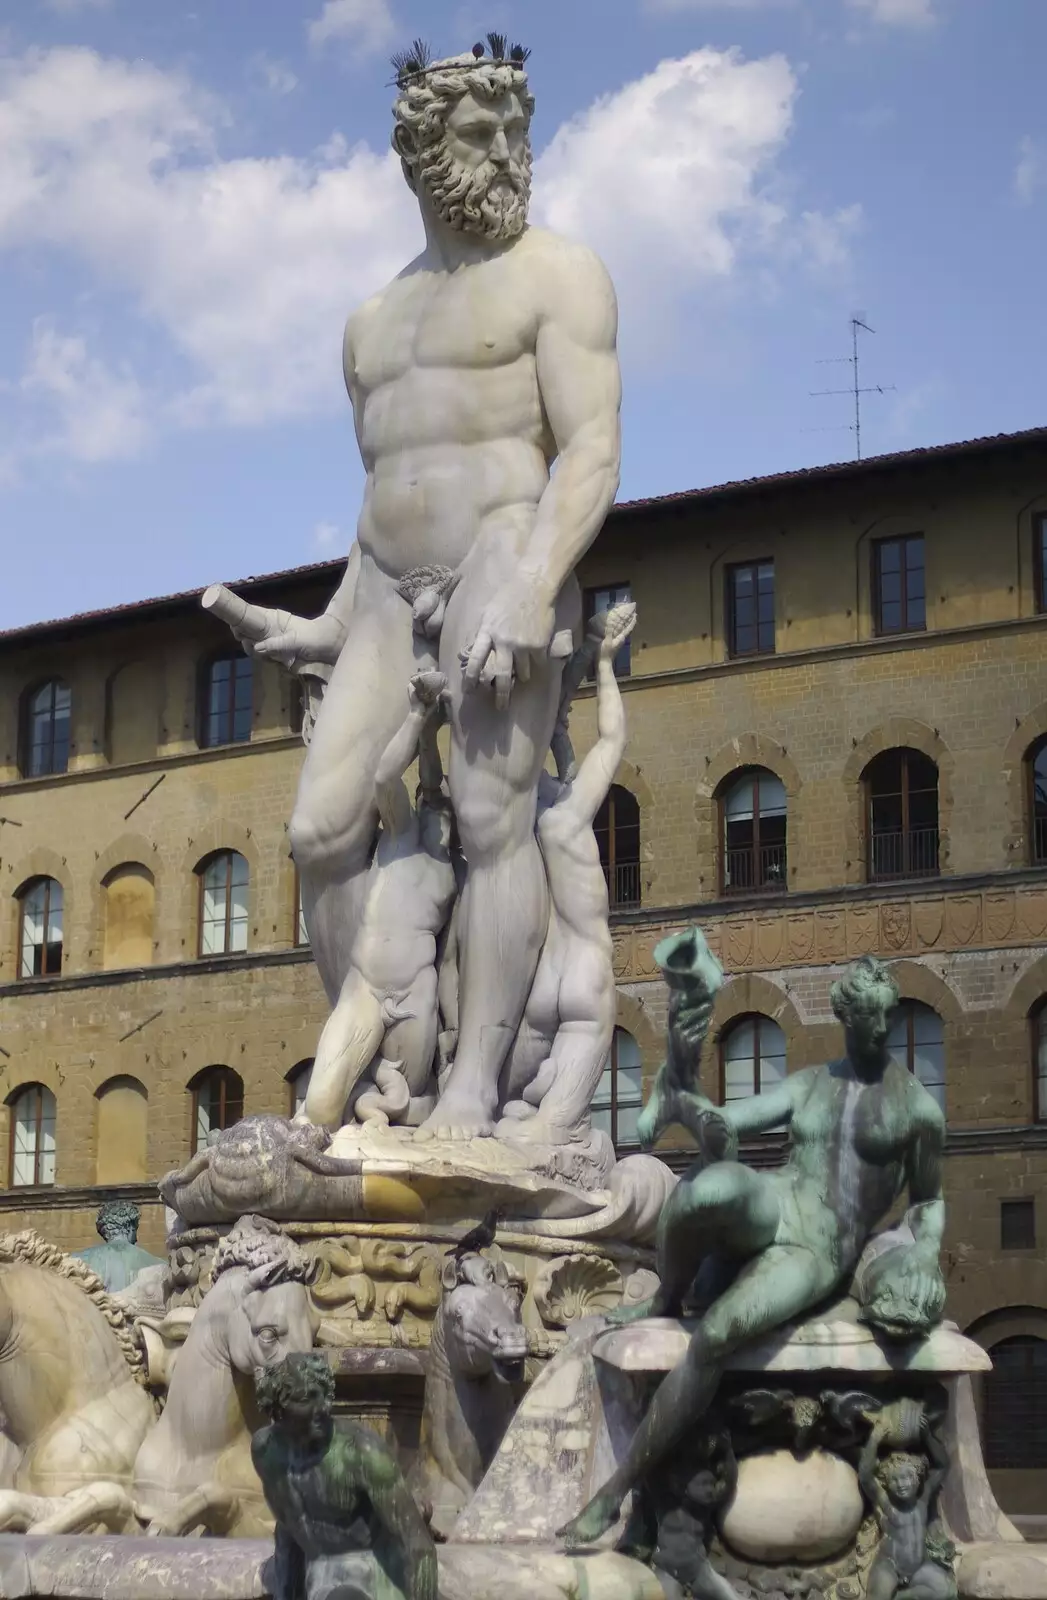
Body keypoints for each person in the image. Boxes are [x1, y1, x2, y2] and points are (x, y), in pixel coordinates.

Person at [210, 38, 621, 1136]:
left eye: (514, 131)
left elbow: (590, 451)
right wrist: (322, 623)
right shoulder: (368, 327)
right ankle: (393, 1048)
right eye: (480, 134)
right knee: (319, 826)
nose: (507, 153)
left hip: (506, 554)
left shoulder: (560, 272)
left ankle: (478, 1084)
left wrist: (537, 584)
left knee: (492, 819)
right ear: (420, 155)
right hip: (389, 591)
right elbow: (385, 497)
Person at [559, 943, 947, 1547]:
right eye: (868, 1015)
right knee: (703, 1191)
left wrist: (924, 1251)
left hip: (819, 1248)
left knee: (714, 1336)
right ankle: (666, 1296)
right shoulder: (810, 1085)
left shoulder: (918, 1110)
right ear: (847, 1017)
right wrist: (688, 1104)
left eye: (886, 1015)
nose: (880, 1026)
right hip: (779, 1198)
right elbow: (732, 1122)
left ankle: (615, 1494)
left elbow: (928, 1200)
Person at [498, 601, 636, 1142]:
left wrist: (553, 726)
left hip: (536, 986)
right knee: (550, 1138)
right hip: (585, 973)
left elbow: (561, 755)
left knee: (502, 1117)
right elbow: (612, 741)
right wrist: (604, 664)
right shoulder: (571, 818)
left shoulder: (516, 827)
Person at [302, 671, 457, 1129]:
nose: (442, 819)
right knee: (320, 1108)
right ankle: (364, 1098)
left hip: (417, 994)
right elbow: (388, 776)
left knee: (413, 1113)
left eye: (448, 816)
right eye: (435, 808)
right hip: (366, 989)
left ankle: (374, 1101)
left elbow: (455, 957)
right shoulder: (401, 836)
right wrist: (418, 719)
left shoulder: (452, 874)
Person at [253, 1353, 436, 1600]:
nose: (325, 1408)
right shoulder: (266, 1451)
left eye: (325, 1396)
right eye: (308, 1398)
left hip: (371, 1573)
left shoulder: (360, 1453)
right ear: (279, 1407)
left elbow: (419, 1546)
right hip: (318, 1574)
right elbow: (289, 1524)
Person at [860, 1411, 956, 1600]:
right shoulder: (887, 1504)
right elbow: (865, 1477)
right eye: (895, 1480)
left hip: (919, 1566)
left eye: (907, 1477)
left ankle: (901, 1597)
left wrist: (928, 1436)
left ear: (918, 1479)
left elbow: (943, 1465)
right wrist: (874, 1439)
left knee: (947, 1591)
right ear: (887, 1483)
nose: (902, 1484)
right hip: (890, 1565)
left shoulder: (923, 1498)